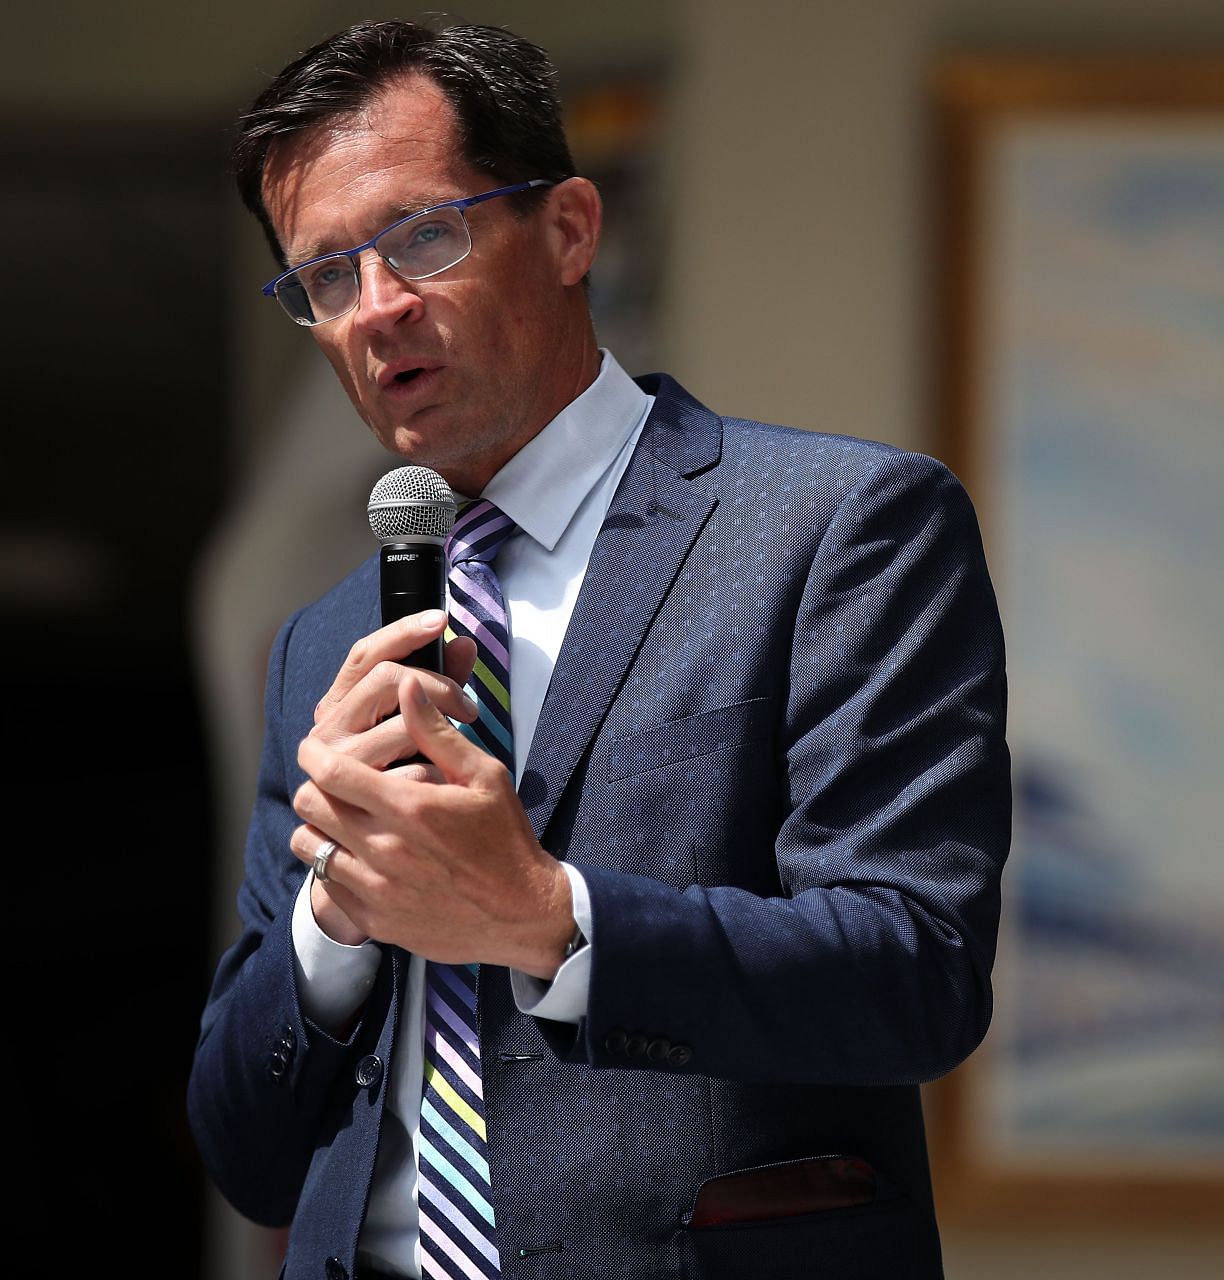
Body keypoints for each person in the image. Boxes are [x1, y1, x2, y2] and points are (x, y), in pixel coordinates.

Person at [186, 21, 1009, 1280]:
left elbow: (915, 975)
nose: (377, 309)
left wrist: (547, 919)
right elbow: (245, 1149)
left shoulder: (837, 527)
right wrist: (334, 920)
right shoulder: (326, 641)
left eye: (422, 237)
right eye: (328, 277)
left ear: (570, 228)